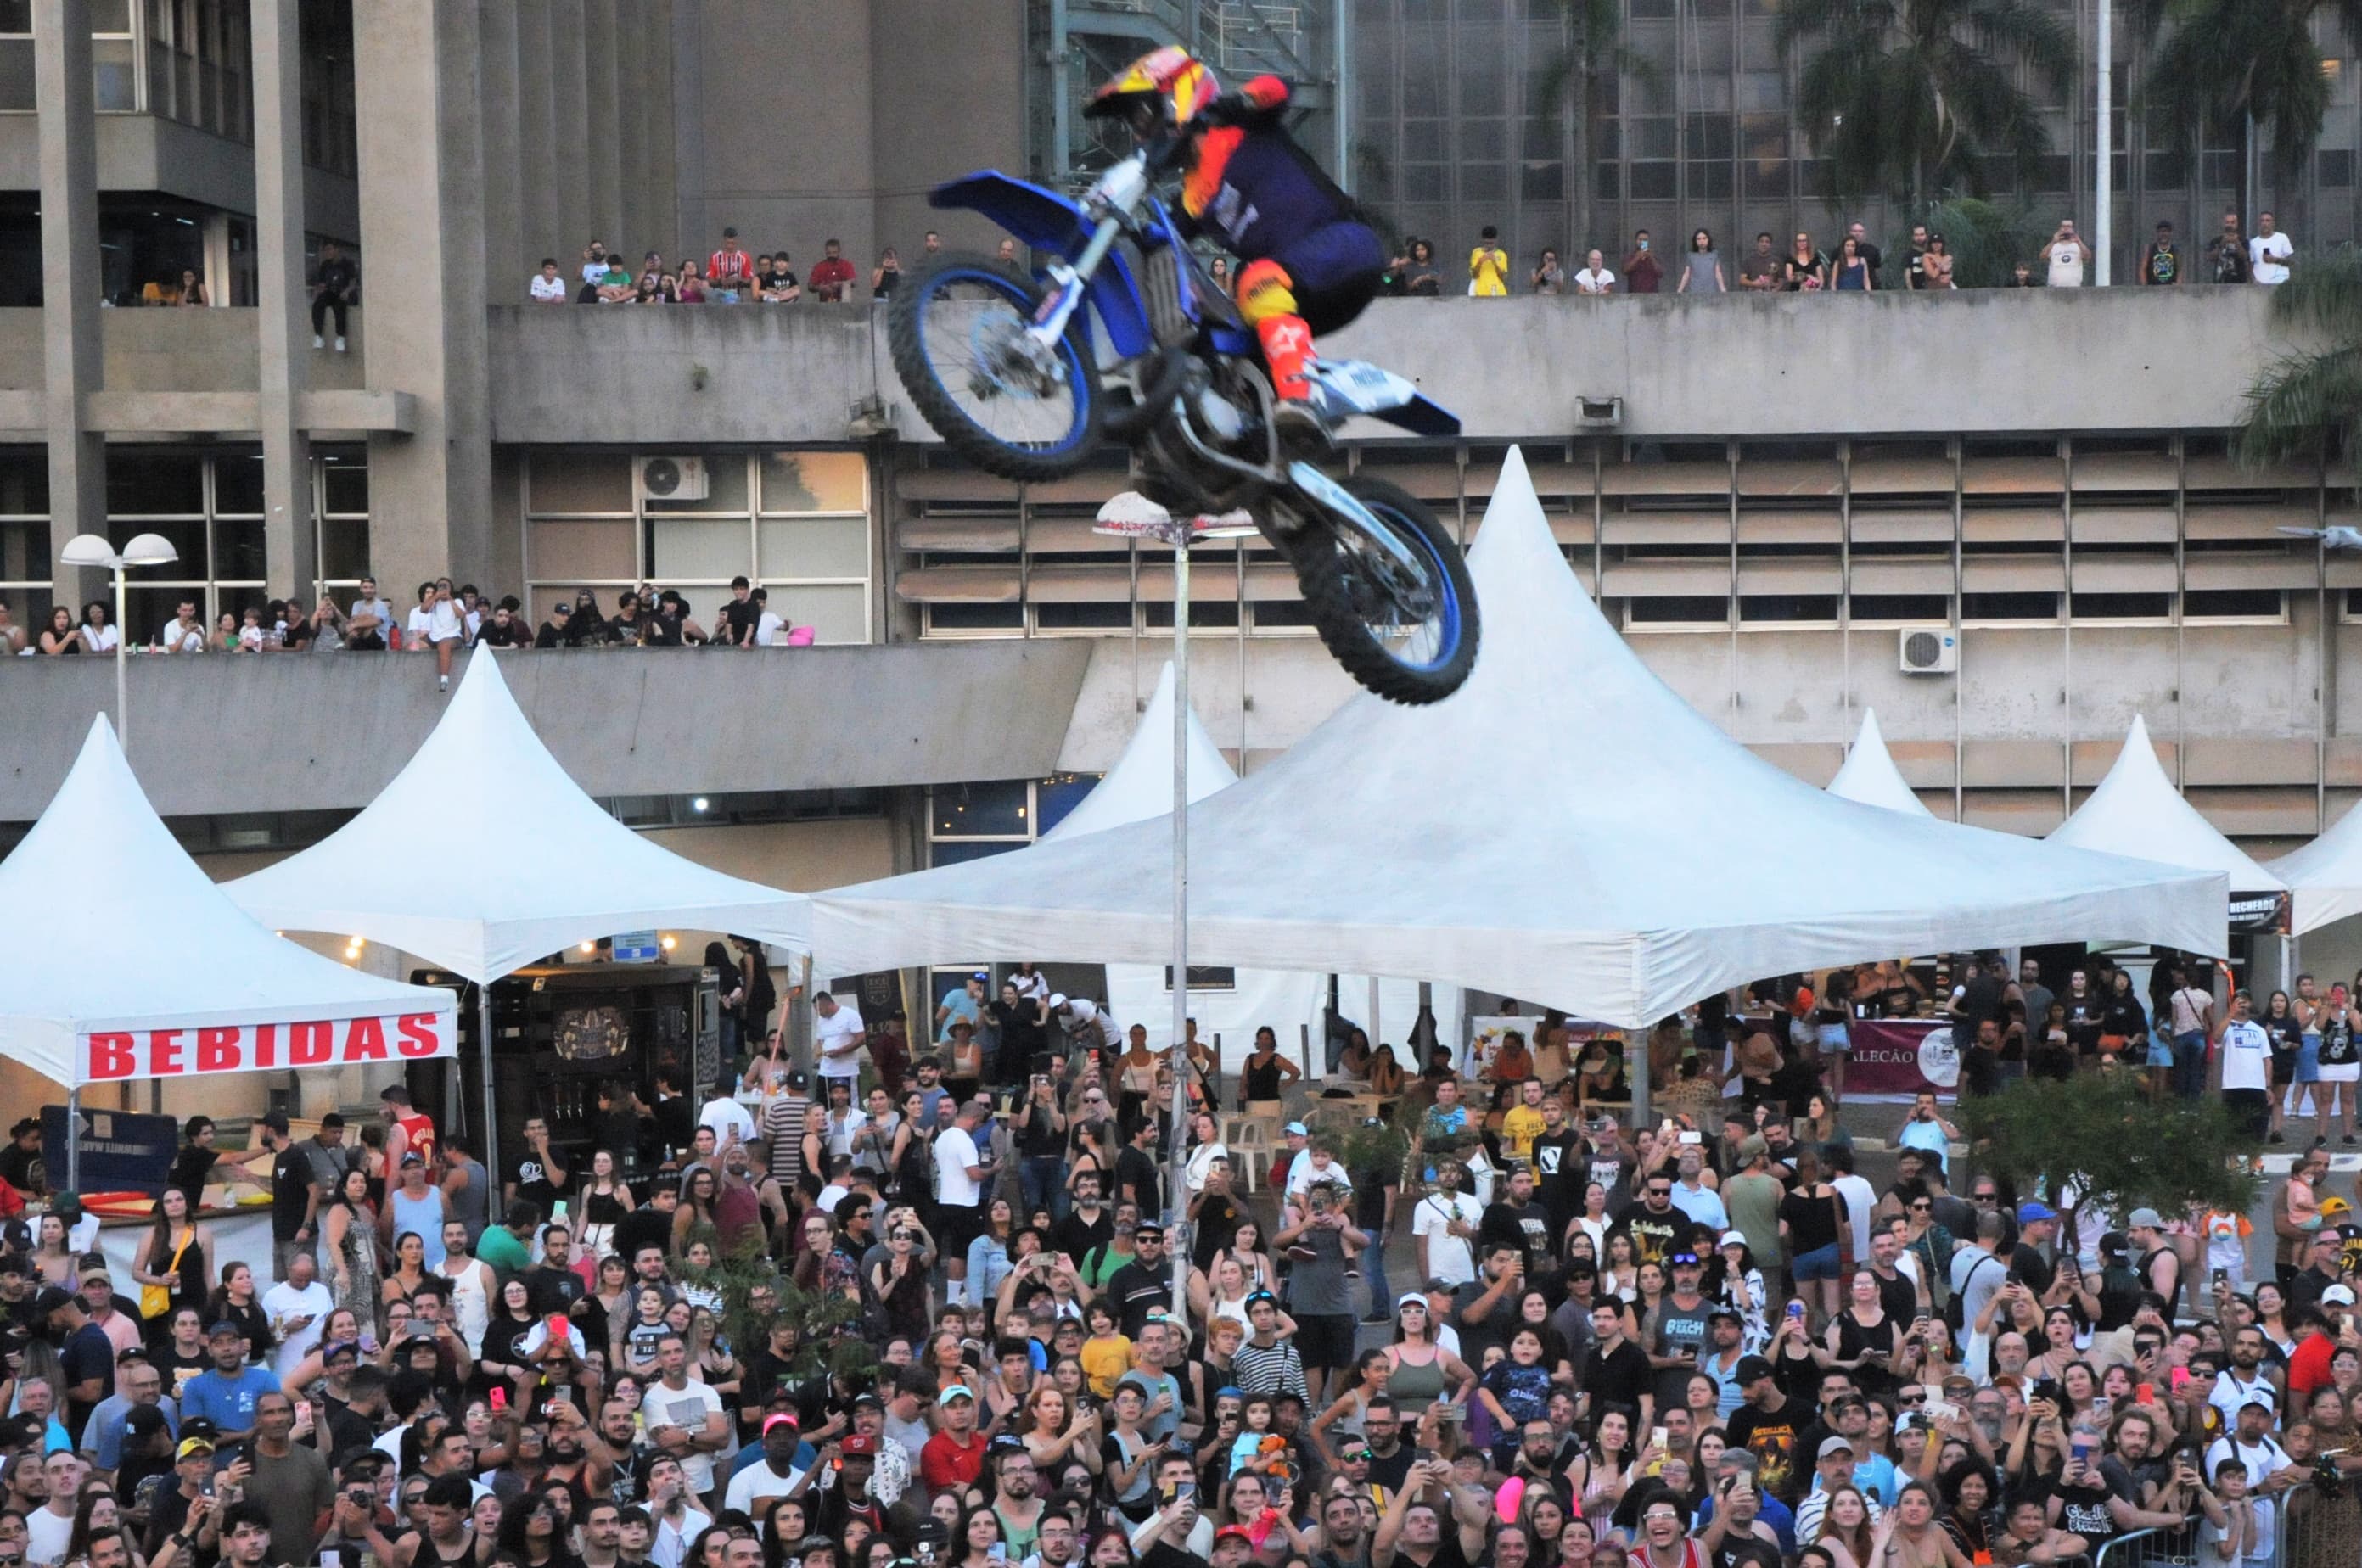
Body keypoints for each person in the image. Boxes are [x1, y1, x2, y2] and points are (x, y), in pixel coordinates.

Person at [1083, 48, 1386, 439]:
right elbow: (1159, 242)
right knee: (1224, 340)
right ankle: (1253, 437)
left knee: (1256, 280)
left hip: (1345, 246)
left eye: (1142, 117)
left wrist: (1237, 102)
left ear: (1176, 96)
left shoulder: (1238, 125)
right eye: (1134, 126)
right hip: (1298, 294)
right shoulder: (1192, 197)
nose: (1141, 134)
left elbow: (1279, 90)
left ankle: (1302, 398)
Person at [2250, 213, 2294, 286]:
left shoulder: (2282, 238)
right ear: (2259, 224)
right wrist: (2253, 281)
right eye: (2262, 221)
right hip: (2259, 286)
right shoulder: (2253, 242)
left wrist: (2275, 260)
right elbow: (2250, 265)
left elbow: (2291, 263)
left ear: (2273, 223)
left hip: (2280, 284)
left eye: (2268, 221)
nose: (2265, 223)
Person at [2042, 221, 2090, 288]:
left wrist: (2079, 242)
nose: (2066, 229)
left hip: (2074, 286)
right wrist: (2053, 241)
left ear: (2073, 229)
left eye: (2069, 226)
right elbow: (2043, 256)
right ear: (2059, 228)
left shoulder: (2078, 245)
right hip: (2054, 287)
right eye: (2063, 226)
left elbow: (2087, 256)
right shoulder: (2053, 245)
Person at [1469, 227, 1511, 297]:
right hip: (1480, 292)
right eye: (1486, 243)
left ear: (1496, 240)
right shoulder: (1476, 252)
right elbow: (1474, 275)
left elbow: (1503, 278)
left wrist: (1495, 263)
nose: (1489, 246)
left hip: (1498, 293)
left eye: (1491, 243)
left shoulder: (1502, 254)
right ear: (1482, 240)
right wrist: (1480, 262)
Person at [2140, 221, 2181, 286]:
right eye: (2161, 231)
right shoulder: (2150, 249)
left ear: (2170, 233)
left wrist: (2178, 285)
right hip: (2153, 288)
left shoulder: (2175, 250)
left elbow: (2179, 269)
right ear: (2157, 233)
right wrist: (2145, 285)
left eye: (2166, 231)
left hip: (2171, 289)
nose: (2163, 234)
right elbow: (2143, 269)